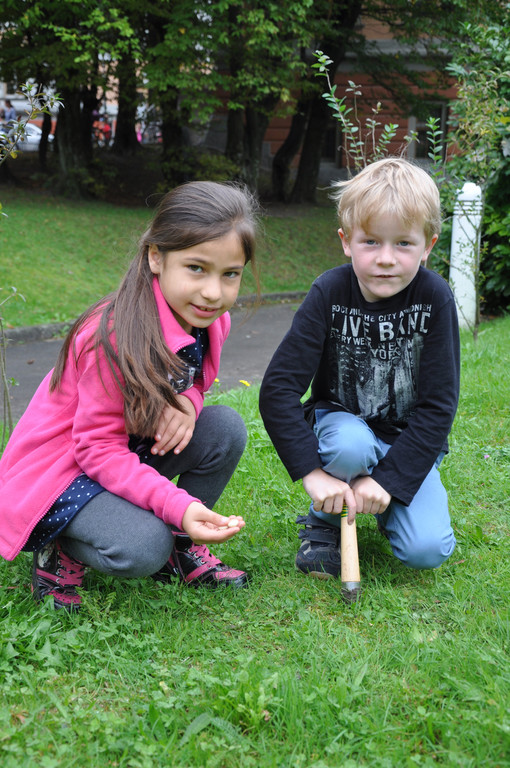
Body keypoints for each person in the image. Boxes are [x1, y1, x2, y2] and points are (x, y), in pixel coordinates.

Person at [0, 181, 259, 611]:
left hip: (126, 447)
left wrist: (189, 403)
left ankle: (182, 549)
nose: (214, 292)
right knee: (144, 547)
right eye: (196, 268)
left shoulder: (210, 320)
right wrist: (176, 504)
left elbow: (196, 380)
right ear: (156, 257)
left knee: (225, 428)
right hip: (63, 471)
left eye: (230, 274)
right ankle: (59, 543)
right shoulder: (114, 336)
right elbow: (96, 448)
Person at [259, 157, 460, 579]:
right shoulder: (328, 292)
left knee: (427, 550)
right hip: (343, 430)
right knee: (349, 446)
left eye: (403, 244)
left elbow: (439, 407)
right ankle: (324, 523)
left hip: (406, 442)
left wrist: (388, 482)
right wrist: (311, 473)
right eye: (370, 242)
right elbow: (278, 389)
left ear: (428, 245)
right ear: (346, 240)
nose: (386, 259)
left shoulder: (435, 297)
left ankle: (384, 504)